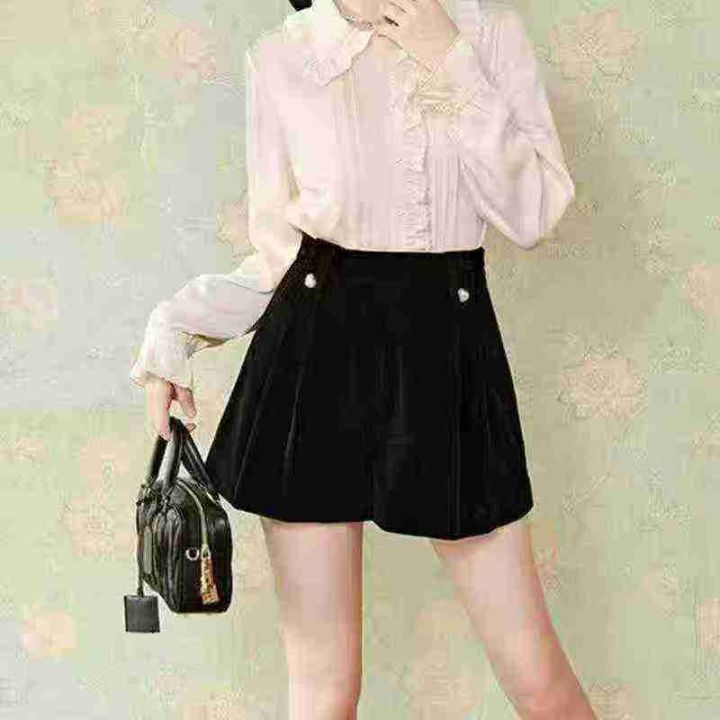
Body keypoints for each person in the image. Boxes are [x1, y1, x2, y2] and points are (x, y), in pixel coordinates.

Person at [130, 0, 597, 717]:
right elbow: (277, 260)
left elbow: (532, 213)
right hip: (312, 365)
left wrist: (451, 58)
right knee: (324, 690)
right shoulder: (285, 54)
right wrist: (174, 333)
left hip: (448, 360)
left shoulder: (483, 31)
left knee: (539, 680)